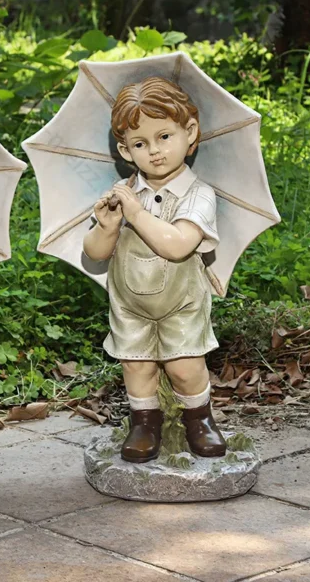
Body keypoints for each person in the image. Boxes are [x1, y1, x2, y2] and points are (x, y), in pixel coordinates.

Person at [83, 76, 226, 463]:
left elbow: (177, 244)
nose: (155, 151)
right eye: (140, 144)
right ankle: (144, 421)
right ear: (125, 150)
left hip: (180, 300)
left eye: (164, 136)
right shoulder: (125, 190)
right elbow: (94, 253)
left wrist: (136, 213)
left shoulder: (199, 194)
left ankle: (199, 418)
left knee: (184, 366)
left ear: (190, 132)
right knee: (136, 366)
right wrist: (108, 226)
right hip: (130, 303)